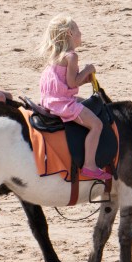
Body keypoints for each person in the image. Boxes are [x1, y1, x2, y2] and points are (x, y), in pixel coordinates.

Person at [37, 14, 111, 181]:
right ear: (70, 33)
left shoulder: (56, 55)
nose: (80, 33)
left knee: (84, 102)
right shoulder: (72, 56)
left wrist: (83, 79)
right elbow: (72, 83)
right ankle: (90, 165)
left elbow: (65, 82)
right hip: (63, 103)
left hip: (52, 100)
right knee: (96, 125)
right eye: (78, 30)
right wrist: (87, 70)